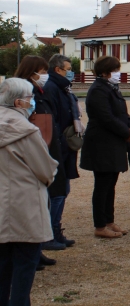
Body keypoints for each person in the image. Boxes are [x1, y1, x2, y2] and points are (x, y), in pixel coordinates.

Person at [0, 78, 58, 306]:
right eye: (30, 98)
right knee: (25, 266)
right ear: (18, 102)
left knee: (3, 266)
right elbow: (45, 169)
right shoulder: (26, 132)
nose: (33, 102)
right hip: (25, 206)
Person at [14, 56, 66, 265]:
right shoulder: (24, 93)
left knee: (43, 201)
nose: (45, 76)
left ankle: (37, 251)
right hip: (32, 152)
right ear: (32, 71)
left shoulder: (41, 92)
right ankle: (30, 254)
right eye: (42, 71)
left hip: (47, 147)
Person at [80, 56, 130, 238]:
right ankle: (100, 225)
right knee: (102, 185)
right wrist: (125, 132)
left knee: (111, 184)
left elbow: (122, 113)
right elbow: (106, 117)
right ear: (104, 72)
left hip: (114, 143)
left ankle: (109, 220)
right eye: (114, 70)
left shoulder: (111, 88)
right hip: (101, 144)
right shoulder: (98, 90)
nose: (118, 74)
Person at [43, 54, 82, 250]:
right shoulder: (52, 88)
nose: (71, 72)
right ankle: (49, 233)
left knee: (63, 190)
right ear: (58, 70)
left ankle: (56, 230)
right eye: (68, 68)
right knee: (57, 192)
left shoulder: (64, 88)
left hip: (65, 147)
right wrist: (60, 144)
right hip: (58, 148)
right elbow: (53, 121)